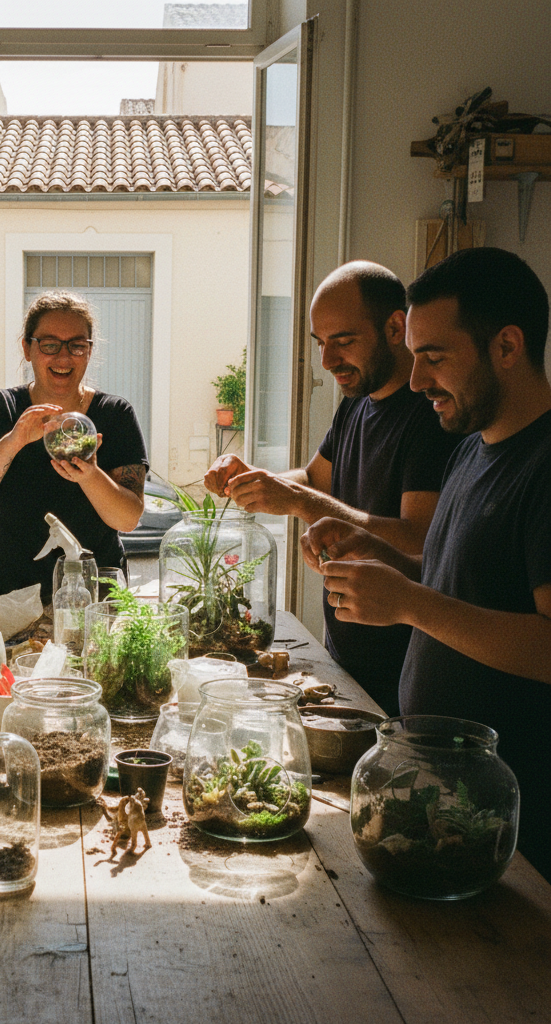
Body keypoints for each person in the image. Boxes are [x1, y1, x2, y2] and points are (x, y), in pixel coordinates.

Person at [303, 247, 551, 879]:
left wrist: (410, 604)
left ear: (507, 346)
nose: (415, 381)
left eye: (434, 357)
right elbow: (454, 584)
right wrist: (380, 557)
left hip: (511, 828)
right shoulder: (471, 449)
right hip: (446, 807)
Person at [203, 261, 460, 713]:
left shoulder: (431, 417)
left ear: (395, 327)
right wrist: (255, 480)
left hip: (399, 670)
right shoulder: (357, 403)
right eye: (320, 343)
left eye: (343, 341)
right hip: (345, 654)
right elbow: (314, 480)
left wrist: (298, 500)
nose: (326, 360)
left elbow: (419, 538)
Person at [0, 291, 147, 607]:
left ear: (89, 351)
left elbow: (127, 519)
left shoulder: (115, 414)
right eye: (49, 344)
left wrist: (90, 475)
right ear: (27, 348)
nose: (63, 357)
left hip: (93, 598)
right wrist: (15, 439)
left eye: (77, 345)